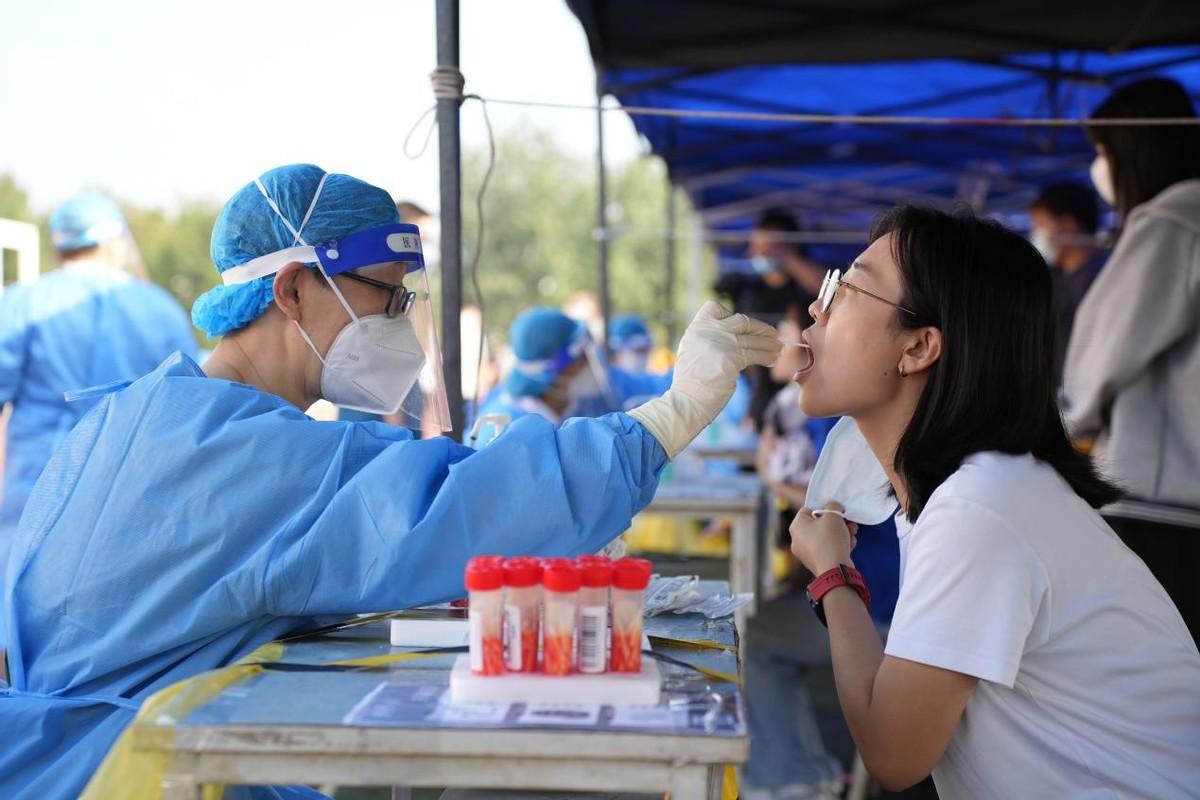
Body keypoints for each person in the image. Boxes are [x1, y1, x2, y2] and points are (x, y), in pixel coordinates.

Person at [0, 164, 781, 799]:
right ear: (292, 289)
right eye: (387, 295)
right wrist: (668, 417)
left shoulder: (146, 413)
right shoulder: (250, 456)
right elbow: (449, 508)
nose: (402, 321)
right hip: (126, 773)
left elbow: (376, 489)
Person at [787, 204, 1200, 797]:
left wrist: (833, 573)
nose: (816, 308)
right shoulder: (965, 492)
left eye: (846, 288)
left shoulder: (981, 506)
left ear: (920, 347)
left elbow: (893, 752)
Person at [0, 192, 196, 642]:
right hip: (134, 490)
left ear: (57, 245)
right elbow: (189, 401)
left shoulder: (24, 304)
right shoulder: (159, 308)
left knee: (18, 632)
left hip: (37, 490)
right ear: (114, 241)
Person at [1062, 76, 1200, 643]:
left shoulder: (1172, 220)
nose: (1100, 168)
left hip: (1161, 503)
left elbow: (1105, 354)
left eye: (1102, 152)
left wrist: (1059, 428)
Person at [716, 210, 824, 430]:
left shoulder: (805, 292)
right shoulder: (748, 288)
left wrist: (787, 257)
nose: (764, 253)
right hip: (758, 400)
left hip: (801, 401)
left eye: (772, 247)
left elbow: (831, 289)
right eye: (759, 245)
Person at [479, 307, 670, 426]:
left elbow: (657, 387)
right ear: (556, 370)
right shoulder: (503, 428)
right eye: (582, 358)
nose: (589, 364)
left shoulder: (583, 403)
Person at [1027, 181, 1107, 384]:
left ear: (1069, 223)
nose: (1036, 234)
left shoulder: (1105, 274)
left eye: (1040, 225)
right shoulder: (1047, 279)